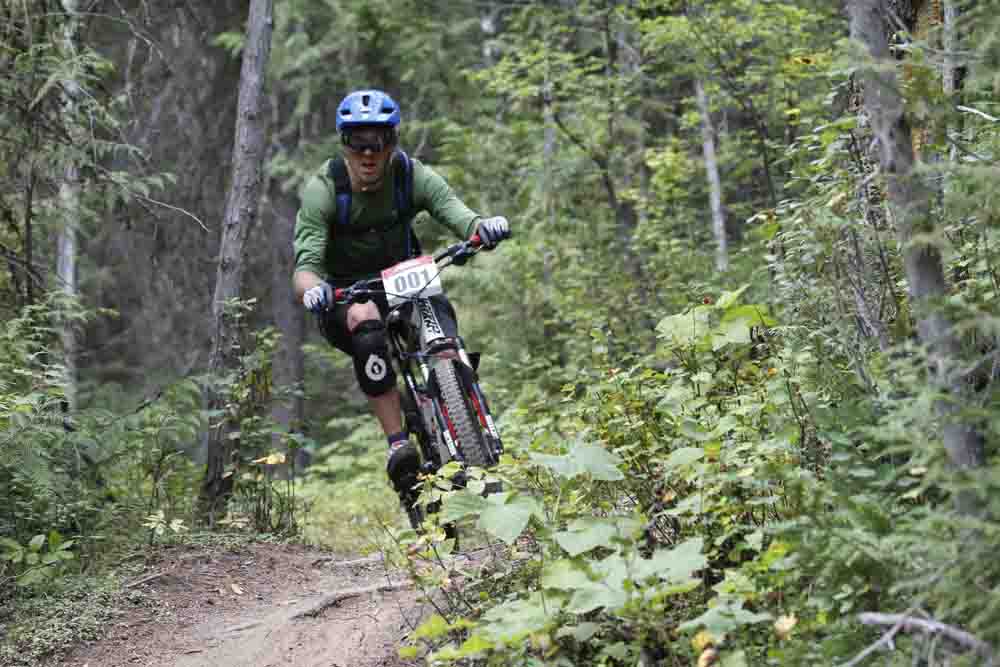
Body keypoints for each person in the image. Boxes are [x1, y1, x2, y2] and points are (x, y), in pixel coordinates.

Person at [292, 88, 510, 495]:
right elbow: (305, 267)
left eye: (377, 141)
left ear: (392, 142)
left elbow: (457, 213)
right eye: (358, 141)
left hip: (405, 279)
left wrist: (482, 229)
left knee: (442, 328)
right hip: (346, 295)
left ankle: (466, 413)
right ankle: (398, 444)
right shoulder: (324, 189)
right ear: (344, 144)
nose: (368, 153)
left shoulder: (411, 175)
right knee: (365, 320)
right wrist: (314, 291)